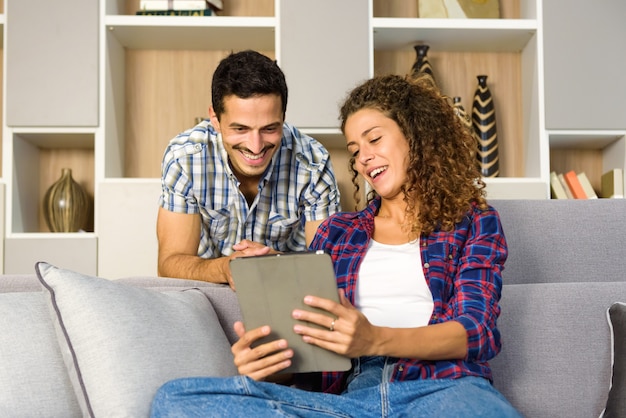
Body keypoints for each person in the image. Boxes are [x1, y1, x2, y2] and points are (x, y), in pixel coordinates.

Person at [150, 74, 522, 417]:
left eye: (374, 140)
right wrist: (271, 367)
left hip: (443, 392)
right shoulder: (338, 233)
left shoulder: (473, 221)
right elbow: (314, 359)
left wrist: (373, 339)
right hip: (351, 402)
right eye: (355, 150)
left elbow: (476, 331)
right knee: (176, 400)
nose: (363, 159)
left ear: (417, 134)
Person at [157, 50, 341, 286]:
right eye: (240, 129)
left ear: (283, 117)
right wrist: (224, 269)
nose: (256, 147)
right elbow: (169, 264)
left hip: (287, 287)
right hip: (206, 291)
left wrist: (272, 262)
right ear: (215, 119)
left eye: (269, 128)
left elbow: (328, 267)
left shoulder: (313, 163)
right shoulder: (185, 158)